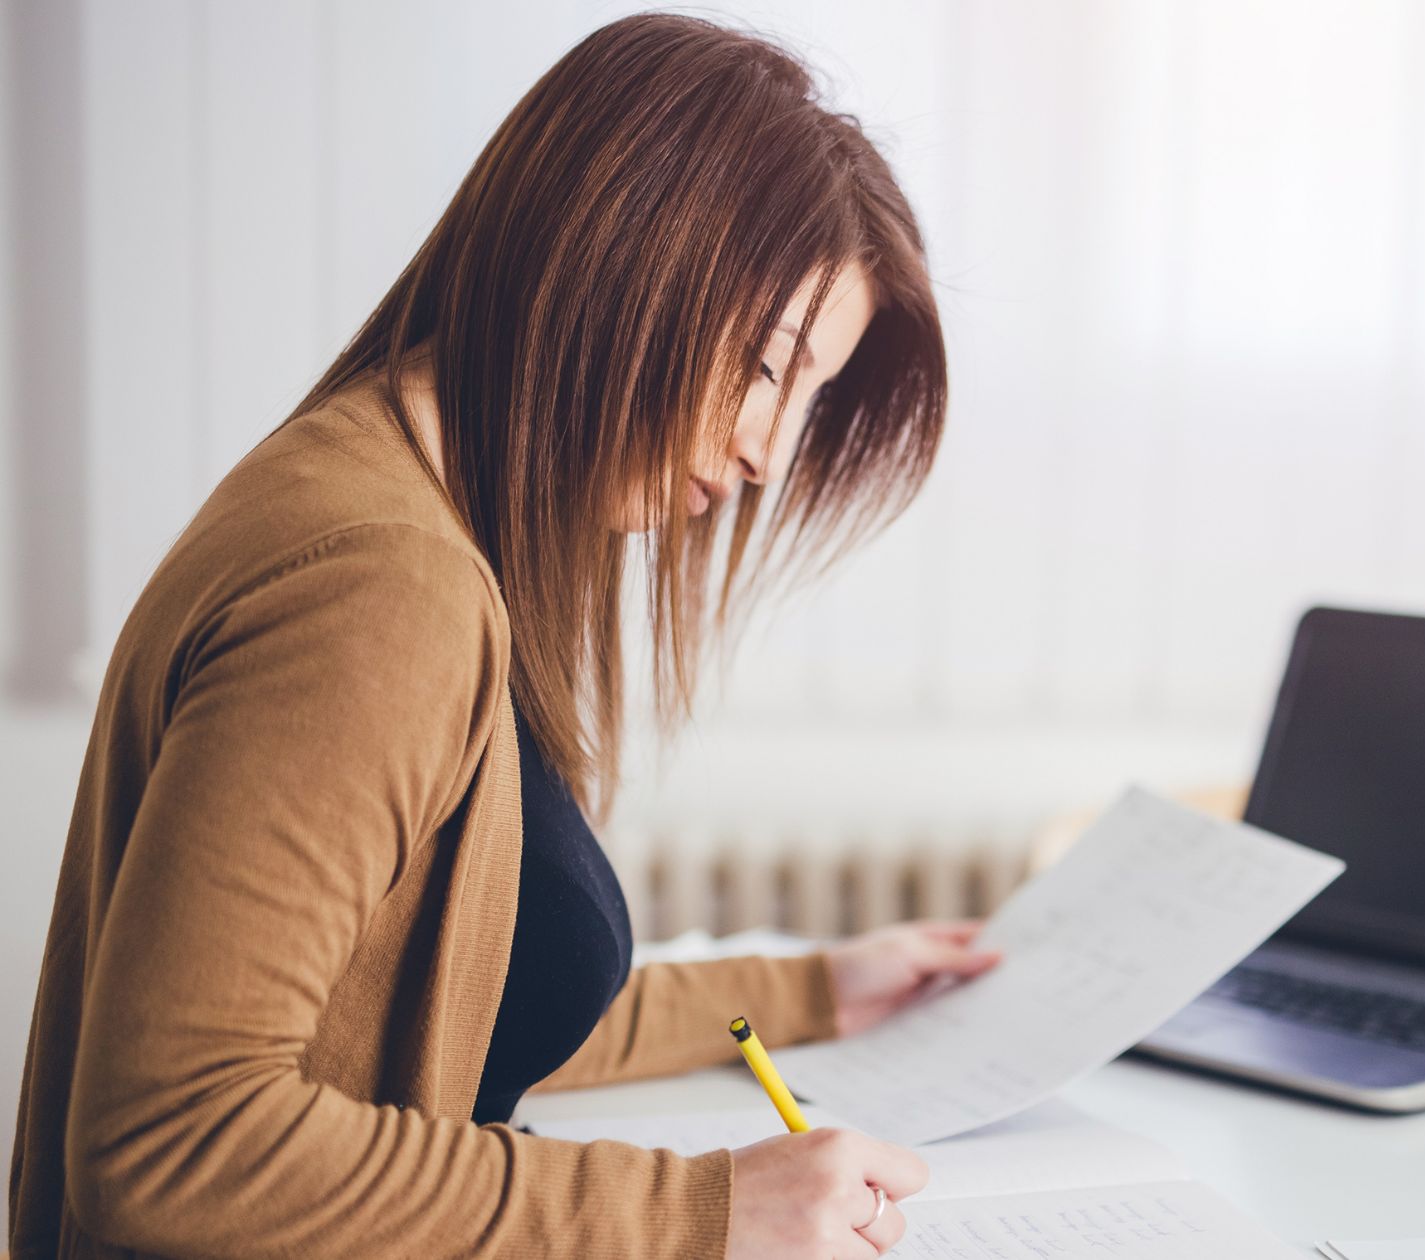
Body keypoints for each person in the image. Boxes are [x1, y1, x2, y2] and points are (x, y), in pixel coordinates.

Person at [9, 14, 994, 1259]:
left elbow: (463, 996)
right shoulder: (380, 586)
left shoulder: (396, 494)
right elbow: (173, 1140)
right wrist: (704, 1212)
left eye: (808, 400)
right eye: (762, 365)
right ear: (621, 258)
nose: (765, 454)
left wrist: (811, 992)